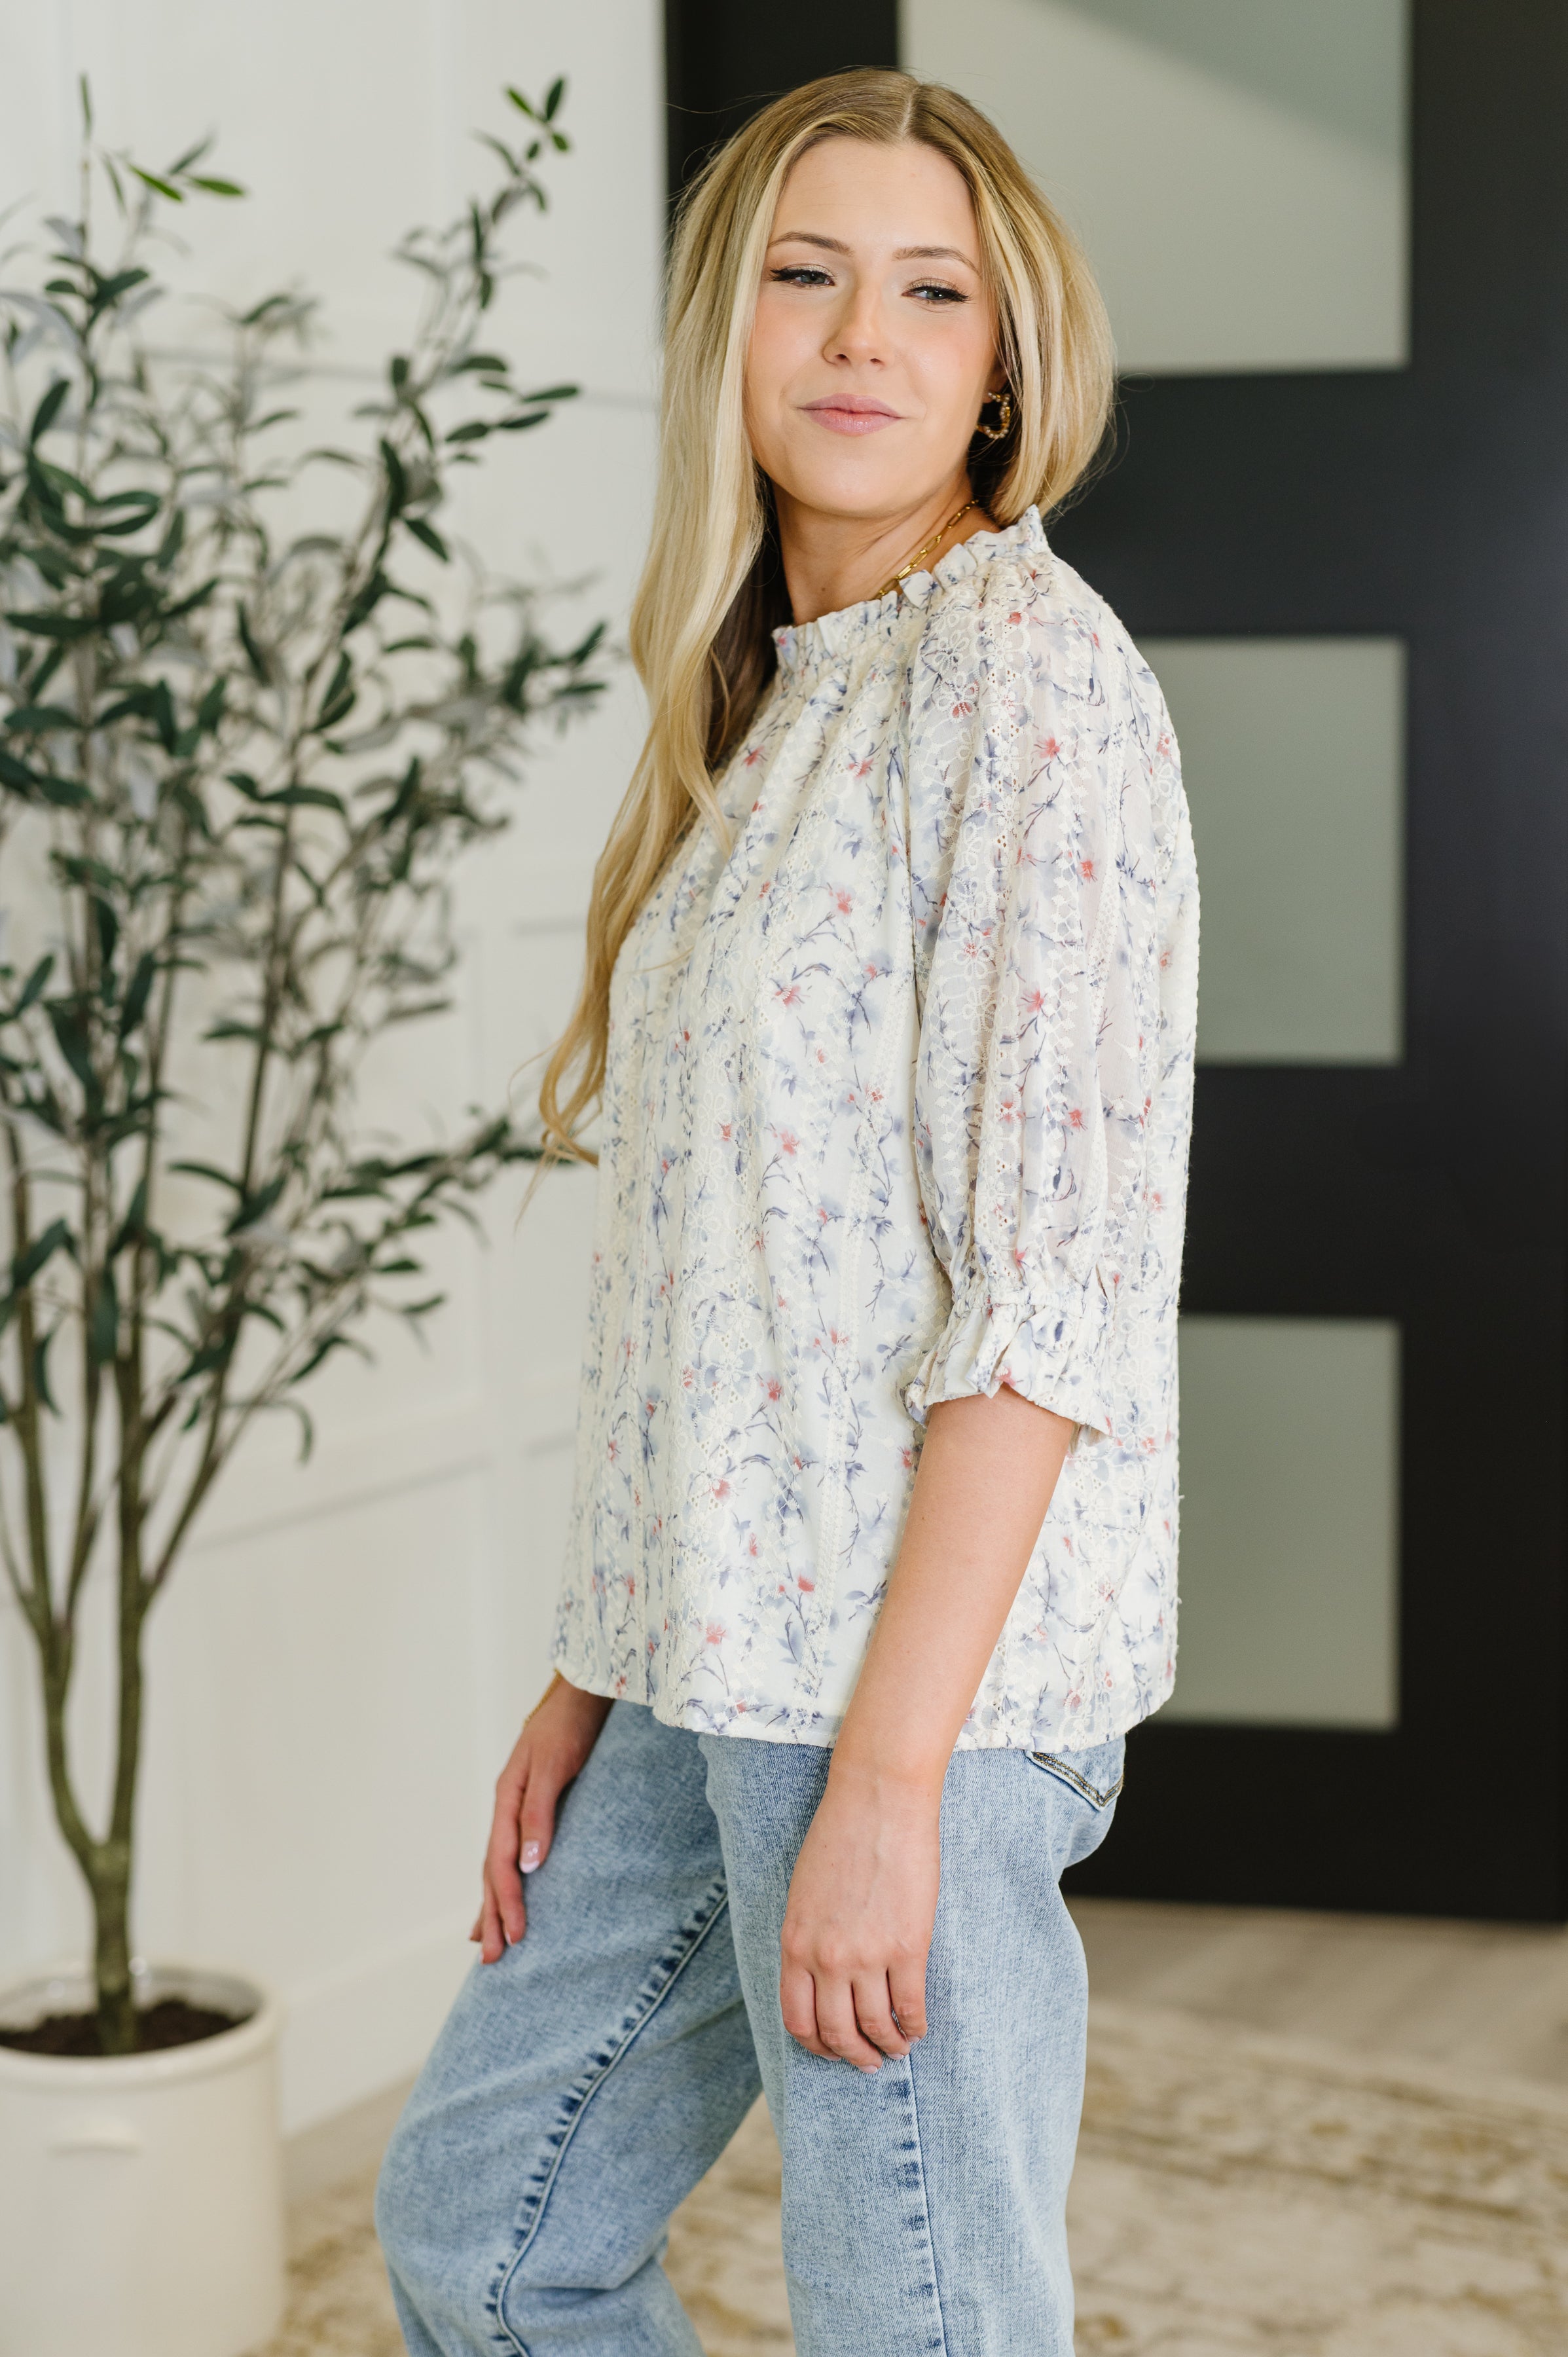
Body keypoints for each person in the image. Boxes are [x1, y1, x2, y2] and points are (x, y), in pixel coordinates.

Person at [376, 65, 1197, 2357]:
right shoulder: (778, 708)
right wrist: (597, 1658)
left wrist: (895, 1787)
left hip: (910, 1689)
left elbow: (1043, 1301)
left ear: (1000, 364)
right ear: (724, 329)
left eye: (930, 292)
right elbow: (713, 1284)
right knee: (484, 2239)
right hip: (709, 1655)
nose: (859, 336)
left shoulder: (1027, 686)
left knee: (917, 2319)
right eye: (805, 275)